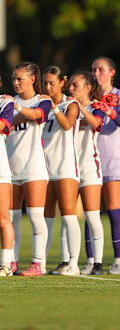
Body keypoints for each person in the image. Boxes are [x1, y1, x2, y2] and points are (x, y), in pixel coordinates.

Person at [6, 62, 51, 276]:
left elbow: (39, 115)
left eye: (19, 79)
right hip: (10, 166)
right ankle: (10, 261)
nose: (15, 82)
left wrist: (16, 111)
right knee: (11, 217)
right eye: (14, 78)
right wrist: (15, 112)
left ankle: (37, 263)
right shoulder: (8, 101)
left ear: (32, 79)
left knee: (35, 215)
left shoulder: (42, 100)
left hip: (34, 166)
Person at [91, 57, 120, 274]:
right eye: (94, 70)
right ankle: (92, 261)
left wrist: (108, 110)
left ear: (112, 72)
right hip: (90, 162)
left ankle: (118, 262)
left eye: (101, 70)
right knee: (91, 213)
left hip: (113, 162)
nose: (97, 74)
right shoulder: (89, 98)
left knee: (114, 211)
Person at [42, 66, 81, 276]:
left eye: (52, 83)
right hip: (44, 167)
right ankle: (40, 262)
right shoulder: (42, 105)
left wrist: (54, 107)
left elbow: (67, 125)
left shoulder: (70, 104)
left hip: (65, 167)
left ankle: (73, 263)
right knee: (45, 218)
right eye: (45, 83)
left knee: (68, 216)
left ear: (62, 83)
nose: (48, 87)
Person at [68, 72, 105, 275]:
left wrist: (79, 107)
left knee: (92, 216)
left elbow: (97, 124)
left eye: (75, 85)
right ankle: (69, 261)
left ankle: (98, 262)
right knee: (69, 217)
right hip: (69, 167)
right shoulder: (67, 107)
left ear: (87, 88)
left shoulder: (96, 107)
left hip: (90, 166)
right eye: (71, 85)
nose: (71, 89)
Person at [0, 94, 15, 276]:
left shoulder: (5, 102)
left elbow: (3, 125)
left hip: (1, 169)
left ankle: (6, 265)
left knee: (3, 218)